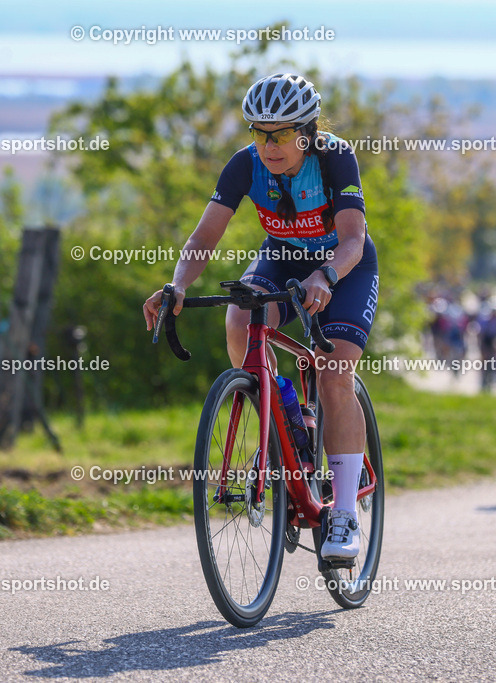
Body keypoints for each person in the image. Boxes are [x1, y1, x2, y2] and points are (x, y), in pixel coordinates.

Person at [142, 73, 378, 561]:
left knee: (334, 372)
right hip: (282, 259)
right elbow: (203, 236)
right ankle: (279, 409)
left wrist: (327, 277)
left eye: (282, 133)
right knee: (238, 319)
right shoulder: (245, 165)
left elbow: (353, 239)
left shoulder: (335, 156)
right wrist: (177, 284)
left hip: (344, 267)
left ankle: (344, 514)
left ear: (307, 133)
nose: (269, 145)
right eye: (259, 132)